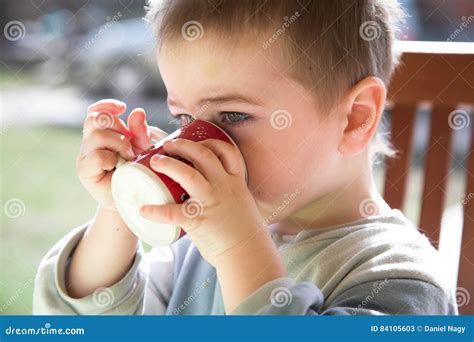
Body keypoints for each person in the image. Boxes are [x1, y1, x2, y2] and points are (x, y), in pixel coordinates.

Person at [33, 0, 457, 315]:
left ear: (355, 118)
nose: (197, 144)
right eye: (183, 117)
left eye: (233, 115)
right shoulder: (196, 252)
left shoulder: (401, 281)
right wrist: (119, 214)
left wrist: (239, 248)